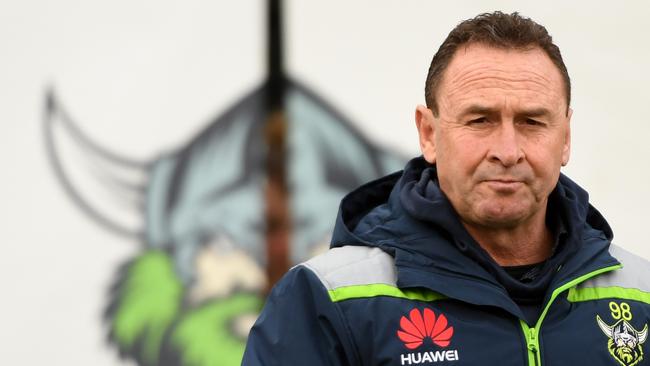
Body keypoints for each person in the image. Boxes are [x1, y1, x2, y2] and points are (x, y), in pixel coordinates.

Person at [242, 11, 650, 366]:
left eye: (532, 122)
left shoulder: (642, 295)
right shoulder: (327, 299)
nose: (507, 151)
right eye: (480, 120)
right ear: (429, 134)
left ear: (565, 138)